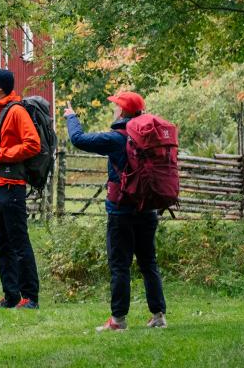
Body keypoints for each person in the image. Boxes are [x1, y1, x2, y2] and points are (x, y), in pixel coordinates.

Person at [64, 92, 167, 331]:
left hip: (121, 212)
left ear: (122, 112)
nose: (113, 110)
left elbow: (78, 139)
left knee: (120, 265)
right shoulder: (150, 138)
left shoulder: (116, 138)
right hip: (148, 209)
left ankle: (118, 320)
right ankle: (158, 316)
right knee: (148, 262)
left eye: (115, 107)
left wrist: (71, 117)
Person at [0, 68, 41, 309]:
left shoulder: (16, 111)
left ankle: (30, 297)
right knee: (2, 244)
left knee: (19, 242)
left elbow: (32, 144)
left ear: (1, 86)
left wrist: (1, 154)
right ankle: (11, 295)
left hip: (11, 186)